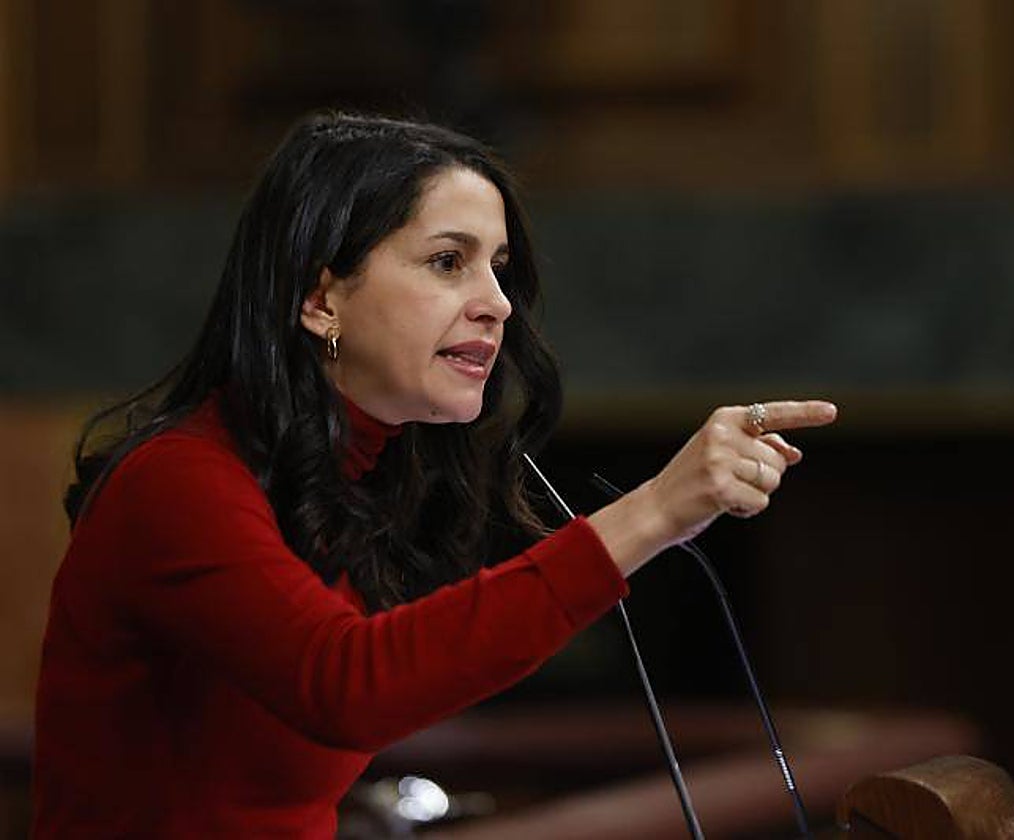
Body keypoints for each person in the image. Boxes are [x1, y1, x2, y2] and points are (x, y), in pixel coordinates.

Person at [32, 111, 836, 837]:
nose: (497, 303)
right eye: (449, 261)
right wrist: (656, 511)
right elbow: (345, 683)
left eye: (499, 268)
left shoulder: (351, 481)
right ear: (320, 300)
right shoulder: (176, 481)